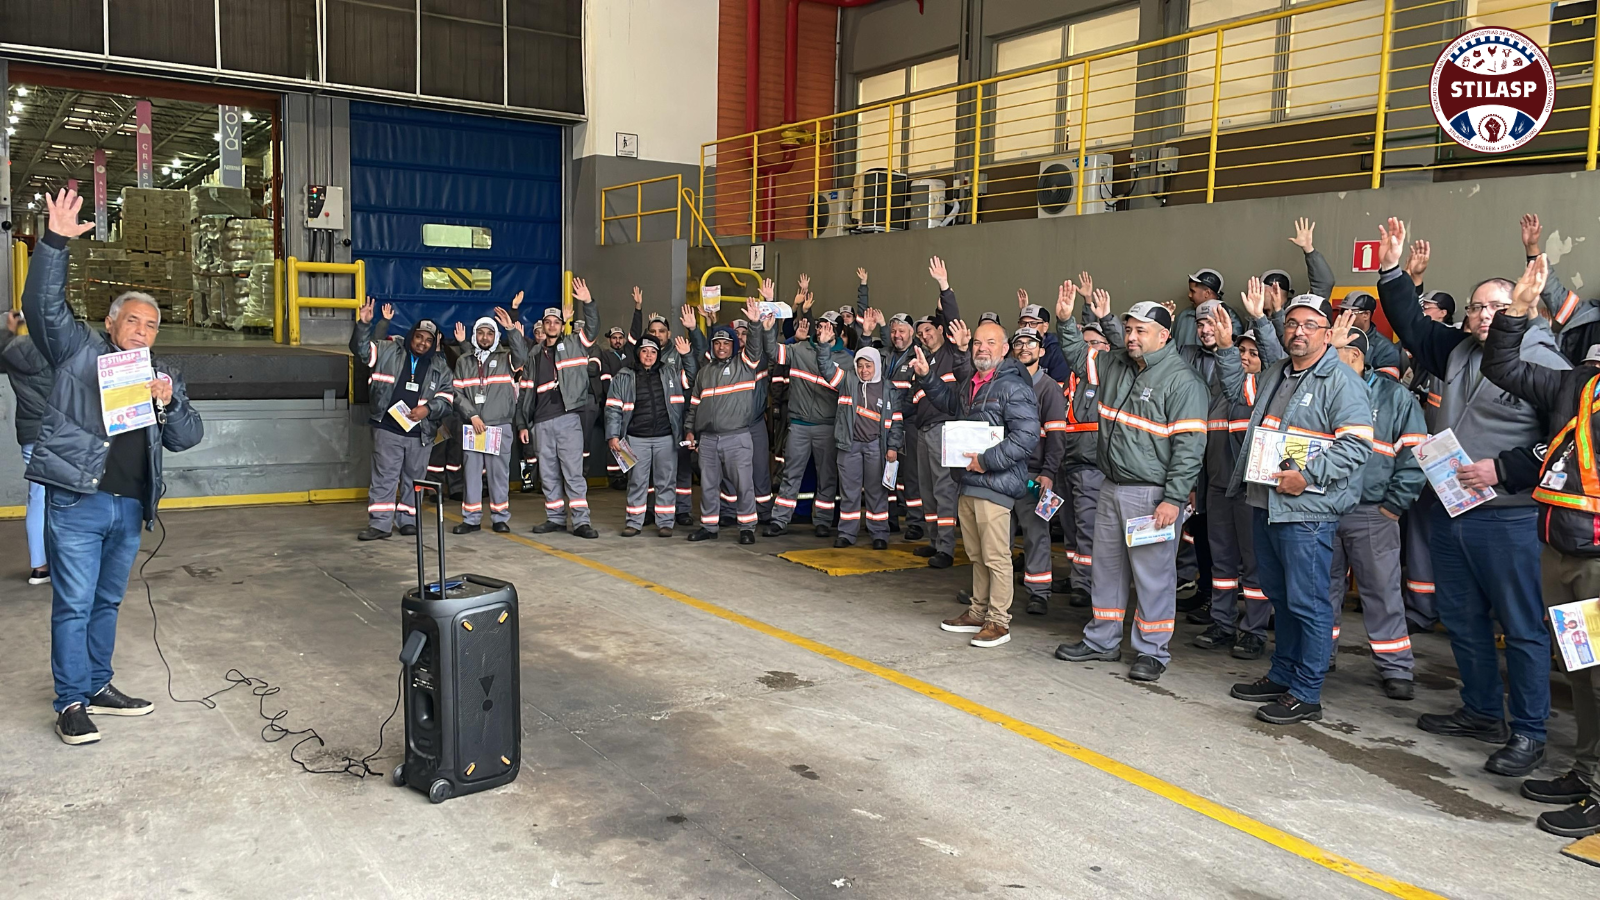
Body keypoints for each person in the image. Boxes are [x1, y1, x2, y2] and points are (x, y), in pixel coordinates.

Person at [1376, 216, 1566, 776]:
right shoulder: (1459, 350)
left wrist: (1504, 468)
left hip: (1509, 518)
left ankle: (1530, 731)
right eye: (1477, 306)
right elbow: (1411, 325)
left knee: (1522, 626)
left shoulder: (1546, 362)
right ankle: (1482, 709)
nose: (1484, 315)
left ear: (1521, 307)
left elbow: (1560, 445)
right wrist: (1392, 267)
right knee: (1460, 617)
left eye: (1495, 306)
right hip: (1454, 512)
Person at [24, 188, 205, 745]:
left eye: (151, 325)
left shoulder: (159, 375)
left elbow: (188, 437)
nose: (142, 331)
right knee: (74, 604)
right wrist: (54, 242)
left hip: (128, 507)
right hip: (78, 500)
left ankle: (99, 685)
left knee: (106, 601)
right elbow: (43, 310)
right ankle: (71, 701)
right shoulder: (79, 351)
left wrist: (170, 401)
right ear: (111, 321)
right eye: (133, 321)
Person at [1480, 252, 1600, 838]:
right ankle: (1588, 771)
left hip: (1597, 564)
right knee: (1581, 670)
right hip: (1560, 550)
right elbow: (1501, 366)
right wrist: (1518, 314)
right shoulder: (1575, 385)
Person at [1225, 294, 1373, 725]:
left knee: (1308, 603)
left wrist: (1308, 476)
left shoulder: (1341, 381)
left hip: (1305, 510)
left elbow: (1357, 446)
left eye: (1310, 324)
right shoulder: (1277, 371)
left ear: (1327, 334)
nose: (1299, 331)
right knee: (1282, 598)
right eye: (1292, 324)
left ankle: (1306, 692)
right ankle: (1283, 674)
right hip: (1266, 503)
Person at [1053, 285, 1208, 683]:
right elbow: (1075, 356)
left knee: (1153, 575)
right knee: (1107, 568)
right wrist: (1066, 320)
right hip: (1112, 487)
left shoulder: (1182, 382)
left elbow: (1190, 448)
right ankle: (1102, 640)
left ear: (1164, 335)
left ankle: (1152, 651)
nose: (1133, 337)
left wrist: (1173, 499)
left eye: (1141, 330)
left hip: (1152, 495)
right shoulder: (1116, 364)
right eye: (1129, 328)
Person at [1323, 315, 1427, 701]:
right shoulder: (1319, 389)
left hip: (1372, 512)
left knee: (1382, 592)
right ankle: (1320, 655)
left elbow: (1416, 455)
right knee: (1322, 590)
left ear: (1355, 356)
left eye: (1334, 351)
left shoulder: (1395, 396)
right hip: (1323, 508)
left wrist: (1393, 507)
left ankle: (1396, 667)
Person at [918, 320, 1039, 649]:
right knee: (975, 553)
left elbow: (1026, 437)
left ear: (1004, 349)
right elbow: (949, 404)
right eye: (976, 343)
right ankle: (978, 611)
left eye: (990, 343)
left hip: (995, 484)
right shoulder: (971, 383)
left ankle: (998, 621)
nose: (981, 348)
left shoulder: (1014, 387)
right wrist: (927, 377)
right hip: (968, 482)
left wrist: (986, 461)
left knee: (996, 555)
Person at [1192, 280, 1284, 660]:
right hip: (1217, 489)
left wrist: (1261, 319)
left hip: (1251, 492)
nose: (1245, 356)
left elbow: (1278, 360)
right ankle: (1223, 622)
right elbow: (1204, 448)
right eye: (1240, 351)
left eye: (1251, 351)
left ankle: (1254, 630)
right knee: (1222, 561)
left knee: (1254, 566)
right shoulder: (1221, 396)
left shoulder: (1268, 393)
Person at [352, 298, 454, 541]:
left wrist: (427, 409)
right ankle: (380, 524)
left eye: (429, 340)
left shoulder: (441, 367)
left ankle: (408, 520)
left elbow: (447, 398)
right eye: (419, 337)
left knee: (414, 480)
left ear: (434, 344)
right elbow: (362, 350)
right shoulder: (388, 350)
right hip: (387, 428)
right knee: (385, 477)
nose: (423, 343)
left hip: (421, 433)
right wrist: (364, 324)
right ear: (411, 335)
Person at [516, 277, 602, 539]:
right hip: (541, 422)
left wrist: (588, 301)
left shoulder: (575, 344)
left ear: (562, 325)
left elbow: (593, 327)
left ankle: (581, 522)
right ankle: (554, 518)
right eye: (547, 322)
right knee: (549, 473)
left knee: (573, 473)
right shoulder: (533, 355)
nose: (551, 325)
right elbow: (526, 391)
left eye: (556, 322)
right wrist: (522, 423)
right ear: (541, 326)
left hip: (567, 418)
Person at [683, 292, 772, 543]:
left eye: (726, 343)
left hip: (737, 436)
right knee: (709, 486)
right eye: (717, 343)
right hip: (709, 439)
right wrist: (690, 431)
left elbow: (754, 348)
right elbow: (694, 406)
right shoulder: (704, 373)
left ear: (734, 346)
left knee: (744, 484)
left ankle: (747, 528)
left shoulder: (745, 366)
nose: (721, 347)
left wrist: (755, 324)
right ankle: (709, 527)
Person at [1054, 291, 1124, 607]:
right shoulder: (1071, 379)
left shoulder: (1112, 375)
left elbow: (1124, 348)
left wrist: (1103, 319)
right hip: (1066, 462)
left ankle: (1086, 585)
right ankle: (1077, 577)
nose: (1091, 350)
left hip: (1093, 464)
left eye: (1097, 344)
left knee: (1089, 528)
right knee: (1071, 525)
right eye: (1087, 344)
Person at [766, 274, 845, 537]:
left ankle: (822, 520)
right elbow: (772, 352)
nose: (824, 329)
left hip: (826, 427)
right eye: (821, 324)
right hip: (799, 426)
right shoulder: (799, 350)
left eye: (830, 326)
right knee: (791, 475)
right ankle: (780, 520)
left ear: (838, 331)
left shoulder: (846, 359)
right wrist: (767, 327)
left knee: (827, 478)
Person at [606, 330, 697, 537]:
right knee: (637, 480)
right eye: (644, 351)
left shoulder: (670, 372)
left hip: (666, 437)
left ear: (659, 354)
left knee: (666, 481)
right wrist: (613, 435)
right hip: (636, 438)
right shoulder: (624, 375)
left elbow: (692, 378)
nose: (649, 356)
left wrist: (687, 355)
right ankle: (634, 522)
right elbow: (612, 407)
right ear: (638, 353)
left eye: (653, 352)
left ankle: (665, 523)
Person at [450, 306, 531, 534]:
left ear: (496, 337)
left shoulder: (507, 358)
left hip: (499, 425)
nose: (485, 337)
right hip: (473, 426)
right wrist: (472, 415)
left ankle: (499, 517)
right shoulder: (464, 361)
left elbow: (522, 355)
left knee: (499, 474)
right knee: (472, 473)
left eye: (490, 333)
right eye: (481, 333)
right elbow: (455, 393)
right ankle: (471, 519)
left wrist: (511, 329)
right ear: (474, 335)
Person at [909, 257, 965, 569]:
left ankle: (946, 547)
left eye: (929, 329)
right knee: (927, 491)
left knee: (945, 490)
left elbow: (953, 317)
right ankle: (933, 541)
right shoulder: (920, 361)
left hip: (946, 429)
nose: (925, 335)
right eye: (921, 333)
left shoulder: (949, 353)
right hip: (923, 431)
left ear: (941, 330)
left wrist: (944, 286)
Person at [1007, 325, 1067, 615]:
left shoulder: (1050, 389)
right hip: (1003, 474)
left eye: (1031, 343)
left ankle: (1039, 592)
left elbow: (1056, 437)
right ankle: (995, 588)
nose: (1024, 348)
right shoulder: (1004, 385)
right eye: (1019, 343)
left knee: (1036, 533)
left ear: (1042, 351)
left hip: (1033, 476)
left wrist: (1049, 473)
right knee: (998, 535)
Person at [1, 308, 54, 585]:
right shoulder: (66, 349)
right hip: (65, 432)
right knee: (72, 498)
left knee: (38, 497)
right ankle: (70, 563)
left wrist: (10, 329)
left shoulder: (14, 348)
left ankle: (39, 567)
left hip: (32, 433)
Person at [832, 345, 902, 550]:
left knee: (877, 491)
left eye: (868, 366)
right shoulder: (849, 382)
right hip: (850, 445)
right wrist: (824, 346)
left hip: (876, 446)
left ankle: (879, 533)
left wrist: (893, 447)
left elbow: (897, 422)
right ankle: (846, 533)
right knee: (849, 492)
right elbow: (827, 369)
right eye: (860, 366)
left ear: (877, 366)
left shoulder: (888, 389)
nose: (864, 370)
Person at [879, 310, 926, 540]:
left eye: (902, 331)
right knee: (886, 471)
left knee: (910, 475)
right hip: (883, 423)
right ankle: (889, 518)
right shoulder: (883, 355)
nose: (897, 335)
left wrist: (894, 413)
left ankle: (916, 522)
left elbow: (915, 396)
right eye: (894, 331)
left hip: (908, 423)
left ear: (911, 333)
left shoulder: (918, 357)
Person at [1333, 291, 1403, 379]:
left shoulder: (1386, 349)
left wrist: (1356, 370)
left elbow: (1386, 386)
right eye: (1342, 312)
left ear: (1366, 315)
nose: (1344, 316)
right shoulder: (1332, 339)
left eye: (1349, 313)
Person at [1174, 267, 1224, 348]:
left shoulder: (1228, 317)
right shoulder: (1183, 316)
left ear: (1207, 293)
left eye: (1193, 291)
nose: (1189, 295)